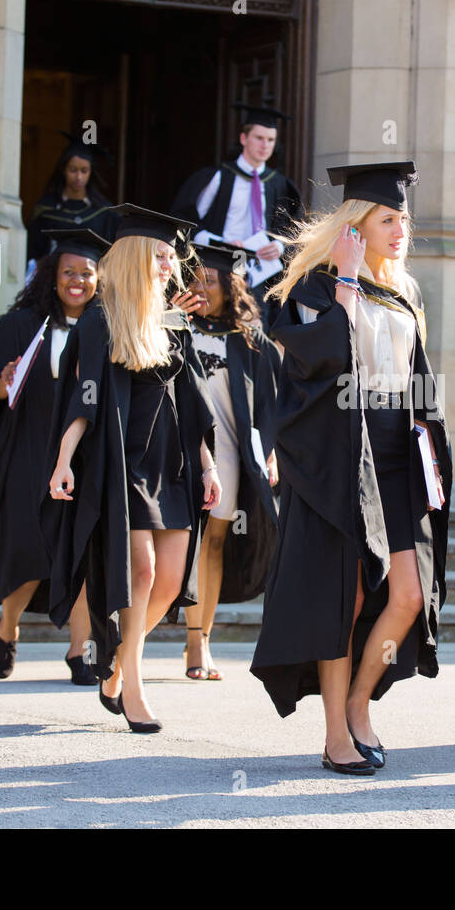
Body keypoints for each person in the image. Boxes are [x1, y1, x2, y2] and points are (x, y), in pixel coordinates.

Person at [251, 160, 451, 775]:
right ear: (355, 225)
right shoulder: (312, 286)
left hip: (397, 448)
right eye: (387, 219)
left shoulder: (405, 289)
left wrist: (431, 445)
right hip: (342, 448)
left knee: (409, 593)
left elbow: (415, 375)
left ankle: (361, 701)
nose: (400, 230)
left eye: (403, 219)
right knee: (346, 591)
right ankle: (337, 731)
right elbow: (317, 365)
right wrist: (343, 280)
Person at [46, 204, 219, 733]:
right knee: (139, 572)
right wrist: (63, 460)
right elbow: (86, 395)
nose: (170, 265)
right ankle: (135, 693)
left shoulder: (172, 322)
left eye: (172, 257)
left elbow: (192, 398)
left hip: (173, 461)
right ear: (138, 256)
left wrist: (209, 466)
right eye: (162, 256)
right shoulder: (101, 319)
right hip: (123, 462)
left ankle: (117, 663)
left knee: (169, 579)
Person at [0, 228, 107, 684]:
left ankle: (80, 651)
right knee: (28, 549)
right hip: (28, 453)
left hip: (84, 457)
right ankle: (8, 625)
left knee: (78, 552)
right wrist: (5, 379)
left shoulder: (104, 328)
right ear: (51, 278)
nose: (77, 281)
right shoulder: (21, 325)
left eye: (87, 273)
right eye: (68, 273)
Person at [183, 240, 281, 680]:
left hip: (226, 455)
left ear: (230, 286)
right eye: (195, 279)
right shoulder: (174, 329)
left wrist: (271, 452)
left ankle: (199, 641)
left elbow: (270, 405)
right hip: (178, 451)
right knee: (179, 546)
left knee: (214, 544)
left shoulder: (248, 340)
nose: (201, 288)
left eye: (211, 280)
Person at [170, 104, 303, 327]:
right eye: (259, 138)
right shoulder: (219, 177)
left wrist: (279, 247)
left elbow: (293, 229)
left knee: (253, 328)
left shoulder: (279, 185)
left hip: (259, 273)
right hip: (218, 265)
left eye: (271, 140)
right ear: (244, 138)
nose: (265, 146)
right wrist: (220, 243)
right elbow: (188, 223)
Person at [24, 131, 119, 271]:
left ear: (90, 172)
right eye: (73, 170)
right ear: (63, 169)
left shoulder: (104, 212)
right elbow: (34, 253)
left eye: (84, 171)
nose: (78, 177)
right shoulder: (46, 209)